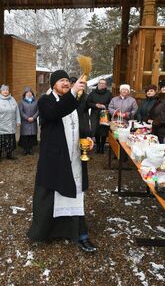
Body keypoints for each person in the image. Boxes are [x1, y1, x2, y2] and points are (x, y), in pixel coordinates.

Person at [27, 70, 96, 253]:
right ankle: (47, 232)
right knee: (51, 195)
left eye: (67, 80)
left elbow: (82, 121)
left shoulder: (75, 101)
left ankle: (81, 235)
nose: (65, 83)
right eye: (61, 81)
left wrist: (88, 138)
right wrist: (73, 92)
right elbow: (54, 114)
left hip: (75, 157)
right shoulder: (46, 101)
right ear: (53, 84)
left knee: (76, 193)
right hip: (55, 158)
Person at [0, 85, 21, 162]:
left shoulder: (12, 99)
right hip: (0, 125)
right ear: (0, 91)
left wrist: (18, 121)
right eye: (4, 90)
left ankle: (9, 155)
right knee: (0, 141)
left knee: (10, 140)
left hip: (10, 124)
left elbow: (17, 111)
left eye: (7, 90)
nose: (5, 91)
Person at [86, 78, 111, 154]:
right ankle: (98, 146)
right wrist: (95, 105)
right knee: (96, 131)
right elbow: (88, 102)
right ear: (98, 84)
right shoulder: (92, 93)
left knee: (103, 131)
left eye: (103, 83)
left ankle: (102, 147)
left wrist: (104, 106)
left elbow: (111, 104)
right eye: (100, 83)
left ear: (105, 85)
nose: (102, 84)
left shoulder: (109, 94)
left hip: (104, 114)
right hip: (95, 114)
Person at [18, 87, 39, 155]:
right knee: (25, 136)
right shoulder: (21, 102)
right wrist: (27, 118)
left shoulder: (35, 101)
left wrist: (33, 117)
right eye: (27, 92)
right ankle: (25, 149)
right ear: (25, 94)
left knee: (31, 136)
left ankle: (30, 149)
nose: (29, 94)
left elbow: (38, 110)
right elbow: (21, 112)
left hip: (33, 121)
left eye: (30, 92)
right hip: (25, 122)